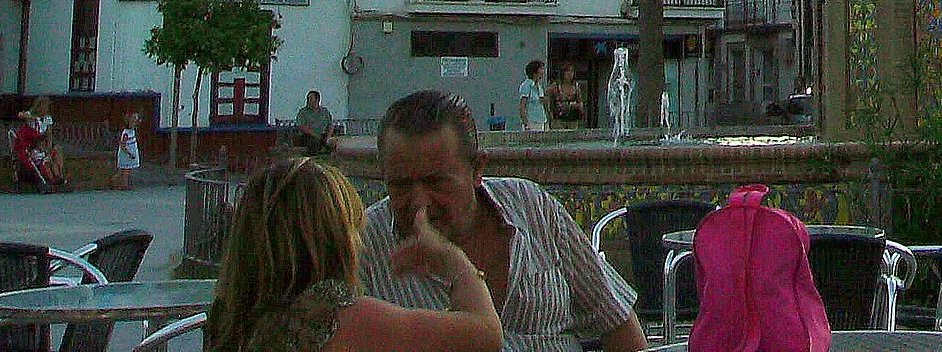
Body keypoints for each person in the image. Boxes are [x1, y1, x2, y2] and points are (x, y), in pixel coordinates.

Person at [359, 89, 648, 352]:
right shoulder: (367, 245)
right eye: (401, 186)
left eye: (437, 183)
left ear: (476, 170)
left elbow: (615, 318)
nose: (420, 202)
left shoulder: (529, 205)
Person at [207, 156, 502, 352]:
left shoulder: (229, 318)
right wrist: (452, 258)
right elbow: (486, 335)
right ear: (336, 237)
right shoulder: (340, 319)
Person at [296, 89, 338, 156]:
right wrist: (316, 136)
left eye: (311, 99)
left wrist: (328, 136)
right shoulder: (303, 112)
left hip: (323, 134)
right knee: (314, 142)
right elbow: (302, 127)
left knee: (332, 141)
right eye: (308, 99)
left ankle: (329, 156)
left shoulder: (324, 111)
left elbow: (330, 125)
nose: (309, 101)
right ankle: (315, 157)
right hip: (309, 136)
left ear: (317, 100)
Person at [517, 61, 550, 133]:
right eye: (541, 69)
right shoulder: (526, 85)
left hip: (541, 120)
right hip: (531, 121)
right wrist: (526, 123)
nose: (543, 71)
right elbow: (522, 106)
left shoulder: (539, 86)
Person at [113, 112, 141, 190]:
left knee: (125, 170)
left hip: (131, 153)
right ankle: (124, 185)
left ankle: (117, 182)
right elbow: (123, 145)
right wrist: (129, 153)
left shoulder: (133, 131)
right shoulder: (126, 133)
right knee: (125, 170)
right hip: (126, 154)